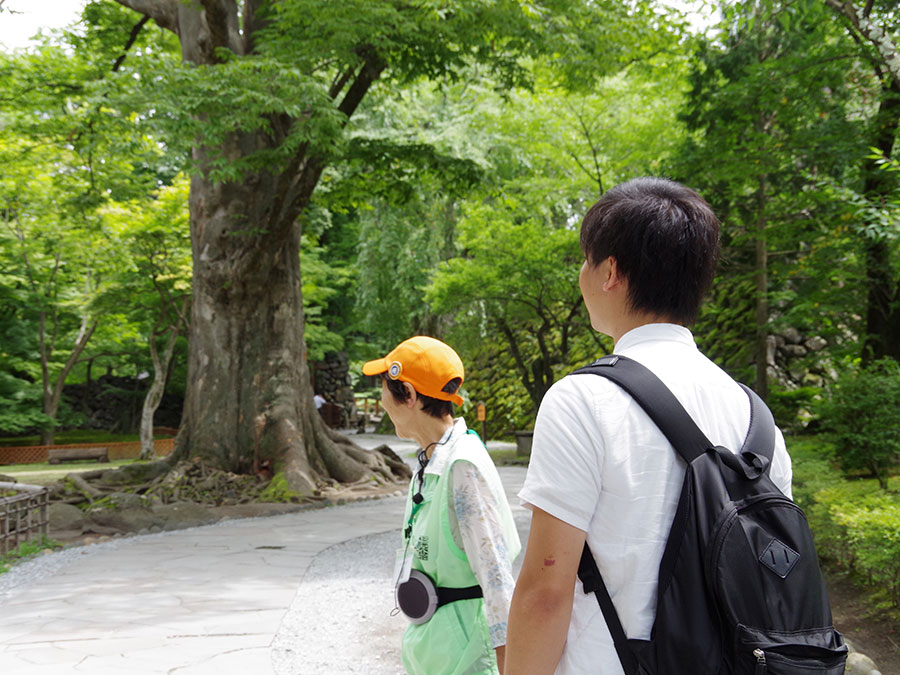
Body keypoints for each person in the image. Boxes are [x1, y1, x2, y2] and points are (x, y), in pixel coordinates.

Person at [503, 177, 794, 674]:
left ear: (610, 271)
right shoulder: (755, 416)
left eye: (586, 260)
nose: (582, 273)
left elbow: (547, 592)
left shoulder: (582, 400)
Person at [362, 336, 521, 675]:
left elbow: (497, 580)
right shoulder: (432, 460)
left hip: (467, 657)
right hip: (439, 651)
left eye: (385, 390)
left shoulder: (463, 465)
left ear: (409, 394)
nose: (381, 401)